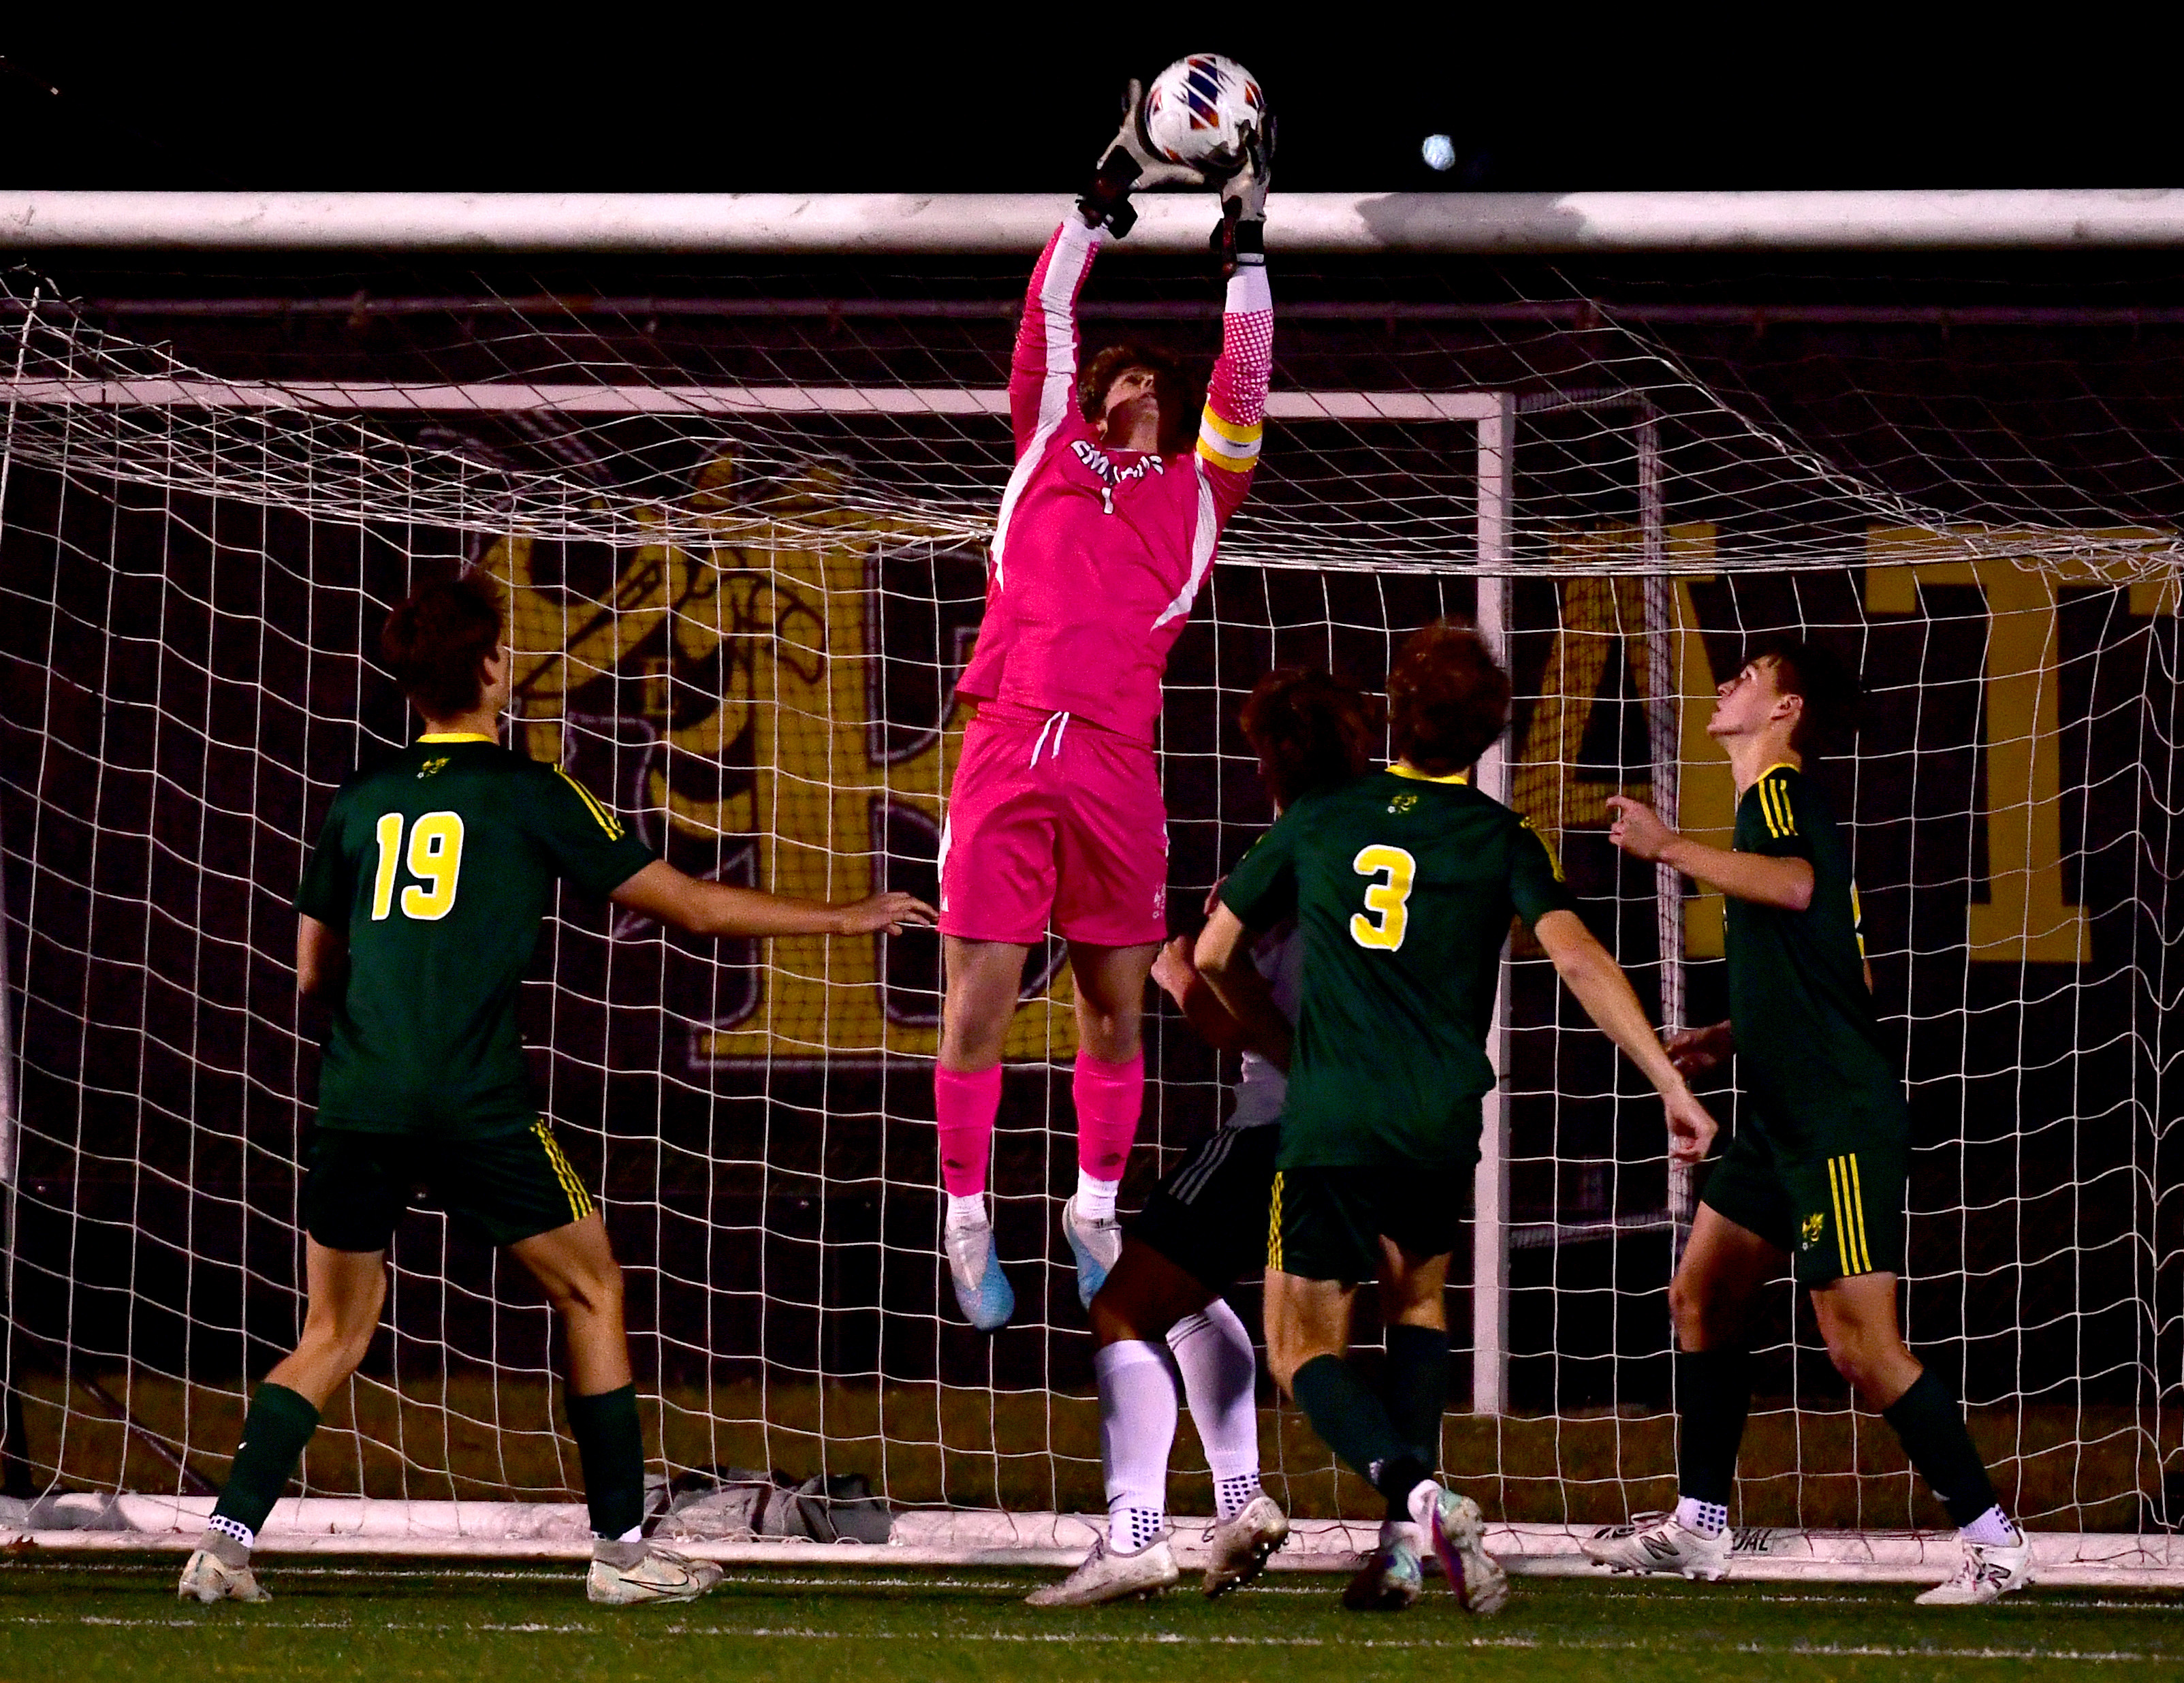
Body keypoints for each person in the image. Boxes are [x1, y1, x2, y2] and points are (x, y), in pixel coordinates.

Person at [178, 570, 932, 1608]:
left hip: (358, 1098)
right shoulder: (535, 793)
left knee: (332, 1333)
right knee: (593, 1288)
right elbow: (692, 910)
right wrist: (848, 917)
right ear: (491, 670)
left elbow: (312, 973)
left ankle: (222, 1545)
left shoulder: (358, 801)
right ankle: (622, 1555)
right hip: (474, 1104)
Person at [1195, 620, 1717, 1615]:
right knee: (1417, 1305)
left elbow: (1217, 953)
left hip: (1335, 1113)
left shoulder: (1321, 815)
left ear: (1392, 710)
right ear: (1488, 737)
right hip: (1439, 1120)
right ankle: (1399, 1554)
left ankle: (1420, 1497)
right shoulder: (1498, 838)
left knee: (1303, 1346)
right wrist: (1671, 1085)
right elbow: (1577, 960)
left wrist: (1287, 1047)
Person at [933, 88, 1276, 1330]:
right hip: (1008, 741)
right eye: (1111, 370)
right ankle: (966, 1217)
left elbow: (1247, 368)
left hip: (1119, 766)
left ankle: (1092, 1208)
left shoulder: (1202, 488)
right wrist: (1111, 185)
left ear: (1169, 404)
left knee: (1111, 1007)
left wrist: (1244, 224)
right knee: (978, 1007)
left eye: (1144, 373)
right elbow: (1047, 314)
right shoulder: (1046, 447)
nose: (1121, 379)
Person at [1594, 635, 2030, 1607]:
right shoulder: (1771, 813)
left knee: (1860, 1346)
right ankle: (1701, 1528)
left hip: (1833, 1118)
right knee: (1699, 1297)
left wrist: (1668, 846)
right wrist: (1729, 1033)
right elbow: (1848, 970)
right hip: (1782, 1114)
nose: (1727, 685)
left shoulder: (1779, 797)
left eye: (1747, 678)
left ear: (1785, 712)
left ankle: (1995, 1540)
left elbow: (1792, 888)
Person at [1028, 670, 1374, 1607]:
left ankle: (1136, 1532)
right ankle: (1241, 1499)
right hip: (1384, 1136)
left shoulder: (1277, 858)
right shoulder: (1395, 845)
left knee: (1123, 1304)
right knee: (1196, 1296)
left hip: (1277, 1128)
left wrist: (1179, 971)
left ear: (1273, 758)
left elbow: (1224, 1020)